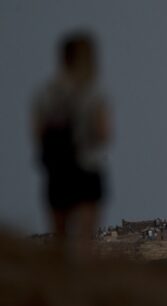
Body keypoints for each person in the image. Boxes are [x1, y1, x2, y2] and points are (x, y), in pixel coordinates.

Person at [32, 31, 110, 253]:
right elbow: (104, 133)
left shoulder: (46, 93)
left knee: (60, 236)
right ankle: (81, 284)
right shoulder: (94, 93)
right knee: (86, 239)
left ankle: (59, 282)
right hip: (87, 167)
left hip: (57, 169)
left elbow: (37, 132)